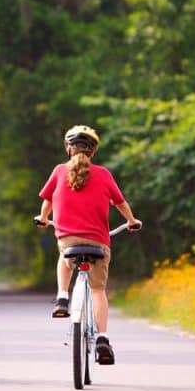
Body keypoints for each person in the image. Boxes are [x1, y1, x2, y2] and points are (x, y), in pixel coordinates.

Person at [35, 125, 141, 365]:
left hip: (68, 241)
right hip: (98, 243)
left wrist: (43, 219)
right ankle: (103, 337)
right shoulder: (103, 174)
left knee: (64, 258)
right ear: (93, 152)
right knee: (98, 290)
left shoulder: (59, 171)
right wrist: (131, 221)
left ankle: (62, 296)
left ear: (68, 149)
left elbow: (48, 201)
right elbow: (121, 203)